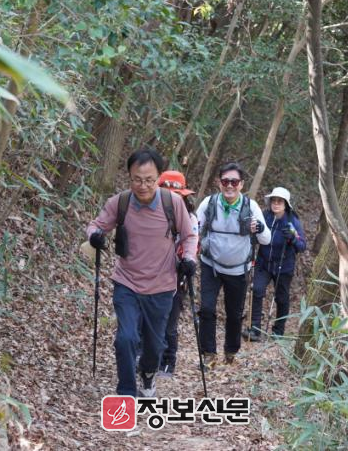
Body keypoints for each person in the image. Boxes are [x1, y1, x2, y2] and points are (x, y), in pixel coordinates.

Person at [86, 148, 197, 398]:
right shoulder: (120, 203)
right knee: (125, 338)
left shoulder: (172, 203)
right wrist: (95, 236)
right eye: (137, 179)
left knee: (154, 346)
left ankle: (148, 373)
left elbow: (189, 236)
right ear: (129, 176)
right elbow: (96, 225)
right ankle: (126, 392)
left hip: (162, 286)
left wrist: (189, 259)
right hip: (127, 282)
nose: (143, 186)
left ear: (158, 177)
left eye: (149, 180)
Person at [196, 162, 271, 368]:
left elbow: (266, 239)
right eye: (225, 181)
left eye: (234, 182)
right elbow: (194, 228)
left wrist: (260, 228)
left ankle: (230, 351)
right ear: (219, 183)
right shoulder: (209, 203)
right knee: (207, 309)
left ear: (242, 184)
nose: (229, 185)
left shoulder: (251, 206)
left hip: (239, 270)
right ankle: (208, 353)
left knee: (234, 314)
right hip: (210, 265)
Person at [243, 187, 306, 341]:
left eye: (280, 201)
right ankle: (254, 329)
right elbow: (253, 234)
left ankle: (278, 331)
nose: (276, 204)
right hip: (263, 263)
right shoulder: (264, 217)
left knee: (281, 298)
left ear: (286, 204)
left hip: (284, 266)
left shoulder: (292, 222)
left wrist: (292, 238)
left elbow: (302, 246)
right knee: (257, 290)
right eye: (274, 201)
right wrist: (255, 232)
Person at [154, 170, 199, 378]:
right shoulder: (149, 213)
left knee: (170, 321)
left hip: (177, 272)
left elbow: (192, 242)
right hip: (150, 272)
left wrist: (188, 261)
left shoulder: (190, 218)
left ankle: (168, 360)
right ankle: (145, 356)